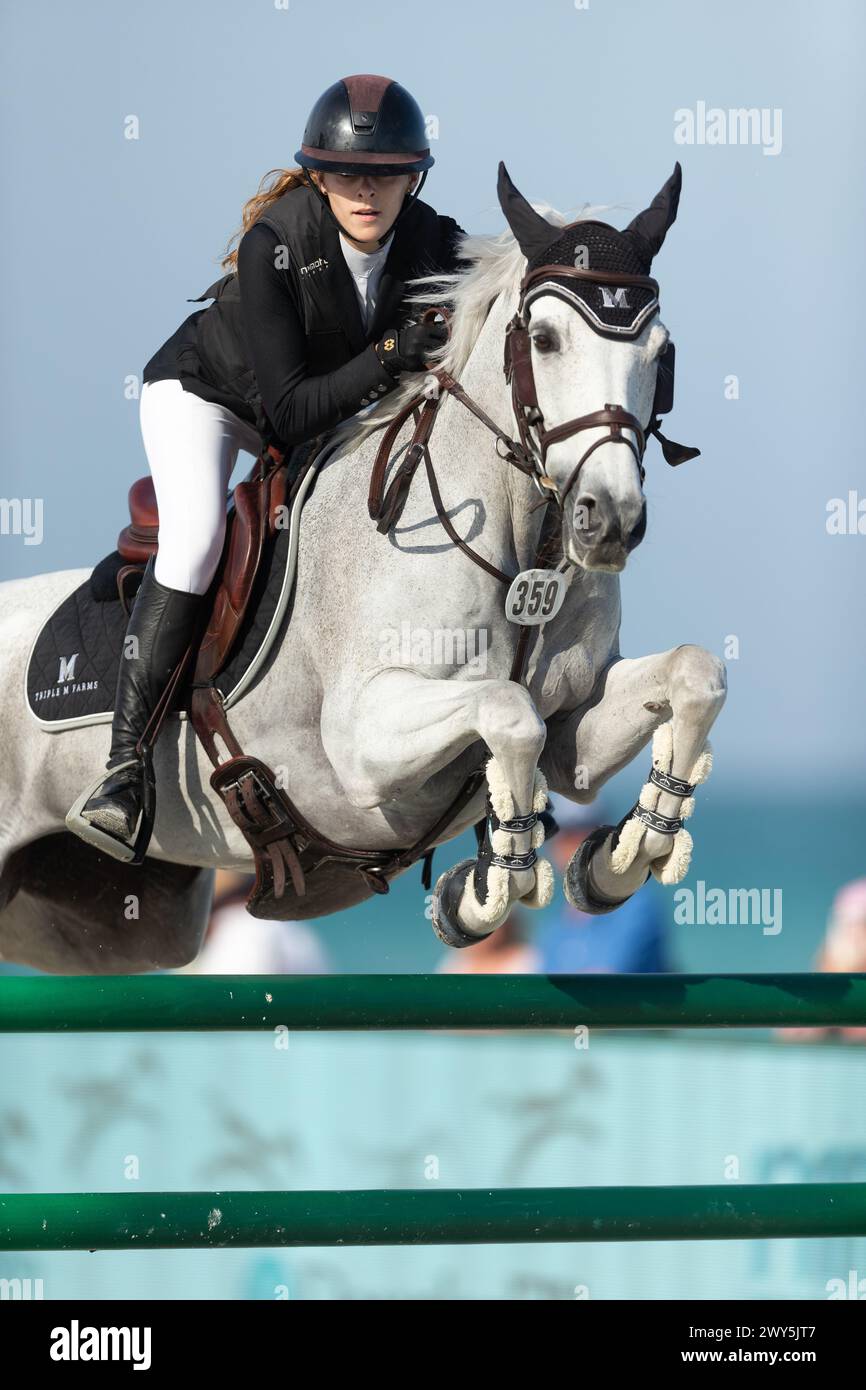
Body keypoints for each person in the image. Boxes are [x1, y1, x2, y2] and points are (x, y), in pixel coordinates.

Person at [70, 74, 467, 858]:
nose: (368, 191)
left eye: (388, 174)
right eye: (351, 173)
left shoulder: (433, 238)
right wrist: (392, 353)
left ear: (412, 178)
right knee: (194, 541)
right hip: (206, 399)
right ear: (319, 176)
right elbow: (286, 413)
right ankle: (124, 772)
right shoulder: (275, 246)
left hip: (319, 408)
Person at [534, 793, 673, 973]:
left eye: (583, 832)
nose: (572, 845)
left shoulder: (636, 904)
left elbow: (609, 978)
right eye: (562, 834)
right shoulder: (560, 922)